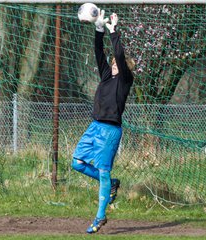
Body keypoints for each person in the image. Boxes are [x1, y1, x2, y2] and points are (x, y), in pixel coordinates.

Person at [71, 10, 135, 234]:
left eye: (118, 63)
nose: (114, 64)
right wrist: (98, 28)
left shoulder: (125, 80)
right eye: (114, 63)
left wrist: (113, 30)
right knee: (77, 163)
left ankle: (100, 217)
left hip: (110, 131)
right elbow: (100, 53)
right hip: (95, 126)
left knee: (103, 173)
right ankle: (112, 184)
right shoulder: (107, 76)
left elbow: (117, 52)